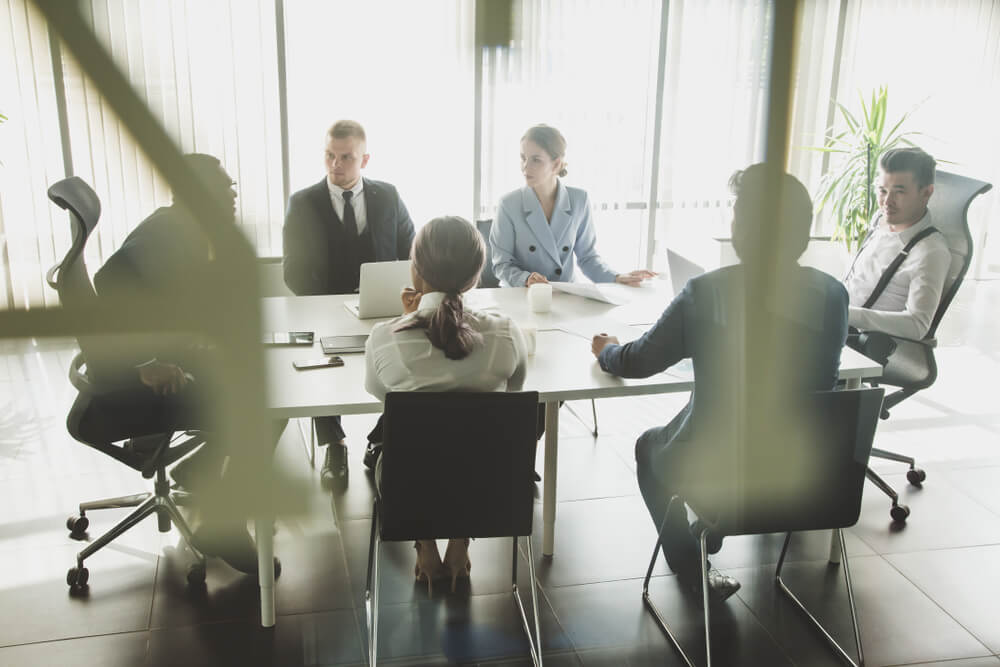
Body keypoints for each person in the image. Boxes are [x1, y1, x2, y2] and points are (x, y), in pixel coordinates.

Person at [590, 165, 849, 600]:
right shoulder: (832, 293)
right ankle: (714, 526)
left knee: (649, 449)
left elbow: (638, 362)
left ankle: (693, 569)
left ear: (743, 229)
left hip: (723, 468)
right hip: (808, 469)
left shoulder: (708, 292)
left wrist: (606, 351)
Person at [88, 153, 284, 575]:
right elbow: (109, 282)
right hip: (140, 385)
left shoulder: (185, 227)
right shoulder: (169, 236)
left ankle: (202, 469)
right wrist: (144, 362)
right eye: (223, 186)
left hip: (170, 361)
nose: (233, 193)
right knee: (271, 405)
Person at [364, 216, 528, 595]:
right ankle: (460, 540)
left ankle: (424, 544)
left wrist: (408, 320)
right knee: (476, 446)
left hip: (411, 488)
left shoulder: (384, 338)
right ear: (474, 278)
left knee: (400, 444)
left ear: (416, 271)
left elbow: (380, 394)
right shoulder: (506, 333)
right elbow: (514, 394)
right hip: (489, 488)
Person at [282, 120, 415, 485]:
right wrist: (324, 304)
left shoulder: (387, 196)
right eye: (329, 155)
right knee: (319, 369)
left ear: (365, 159)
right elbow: (292, 270)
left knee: (416, 361)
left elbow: (411, 253)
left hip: (383, 308)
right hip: (323, 309)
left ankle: (380, 440)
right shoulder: (303, 203)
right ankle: (335, 443)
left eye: (346, 157)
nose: (335, 165)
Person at [490, 124, 655, 287]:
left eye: (536, 160)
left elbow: (587, 257)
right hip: (521, 295)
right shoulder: (508, 204)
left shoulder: (579, 200)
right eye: (523, 158)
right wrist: (525, 279)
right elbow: (501, 264)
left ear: (556, 164)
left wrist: (616, 277)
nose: (525, 166)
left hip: (565, 293)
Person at [844, 147, 950, 342]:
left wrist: (846, 314)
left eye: (899, 192)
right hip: (835, 325)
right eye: (882, 190)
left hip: (864, 344)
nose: (887, 202)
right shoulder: (879, 220)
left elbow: (917, 324)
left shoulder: (930, 251)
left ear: (926, 193)